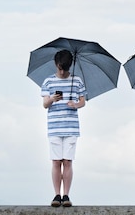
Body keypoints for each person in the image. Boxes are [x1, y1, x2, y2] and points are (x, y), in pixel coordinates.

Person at [41, 49, 86, 208]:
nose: (61, 71)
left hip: (71, 126)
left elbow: (83, 101)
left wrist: (75, 104)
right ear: (56, 64)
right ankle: (57, 194)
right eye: (60, 68)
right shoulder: (48, 82)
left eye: (64, 68)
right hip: (54, 126)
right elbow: (45, 104)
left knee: (67, 161)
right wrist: (52, 98)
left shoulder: (77, 81)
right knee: (56, 161)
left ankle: (66, 194)